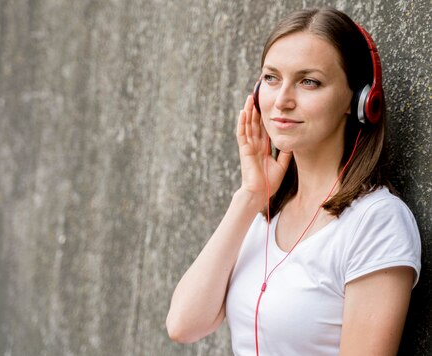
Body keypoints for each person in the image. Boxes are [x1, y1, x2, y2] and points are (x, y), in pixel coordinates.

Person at [166, 7, 421, 356]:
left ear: (360, 101)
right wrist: (250, 196)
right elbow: (184, 324)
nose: (282, 101)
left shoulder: (376, 222)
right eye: (271, 78)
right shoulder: (265, 214)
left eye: (309, 81)